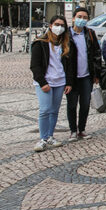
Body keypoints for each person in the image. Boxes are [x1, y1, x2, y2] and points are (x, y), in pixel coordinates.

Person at [30, 16, 73, 152]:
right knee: (45, 110)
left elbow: (69, 66)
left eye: (62, 25)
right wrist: (42, 82)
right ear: (50, 25)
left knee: (54, 110)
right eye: (56, 24)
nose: (59, 27)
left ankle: (50, 136)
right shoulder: (40, 43)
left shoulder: (65, 44)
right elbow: (35, 66)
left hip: (60, 82)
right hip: (45, 82)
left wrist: (69, 82)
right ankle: (42, 138)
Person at [65, 7, 101, 142]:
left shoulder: (90, 33)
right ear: (73, 18)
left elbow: (97, 54)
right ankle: (73, 130)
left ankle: (82, 129)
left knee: (85, 105)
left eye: (85, 17)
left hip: (86, 76)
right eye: (79, 16)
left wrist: (96, 74)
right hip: (72, 77)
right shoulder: (66, 35)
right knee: (72, 105)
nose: (82, 19)